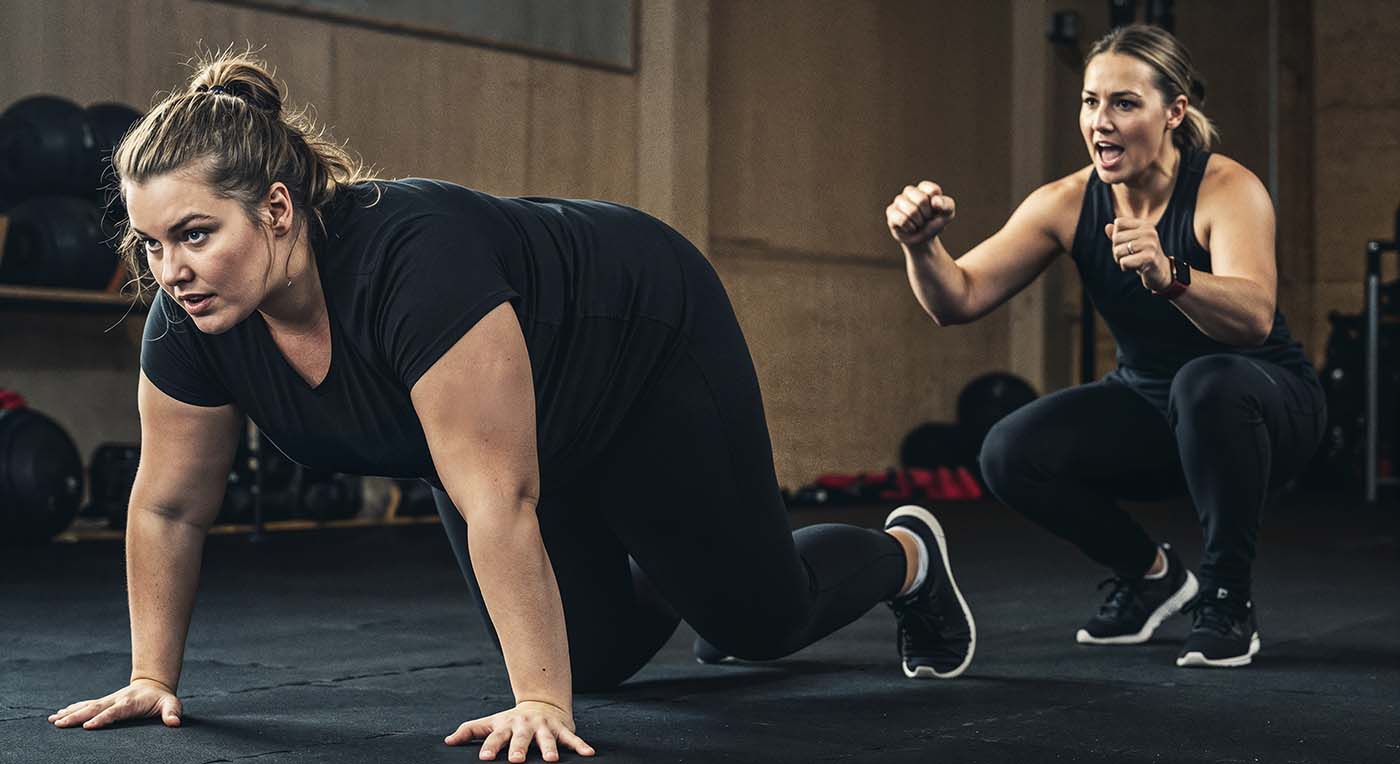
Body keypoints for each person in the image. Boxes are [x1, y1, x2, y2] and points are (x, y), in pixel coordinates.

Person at [46, 50, 976, 761]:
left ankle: (906, 557)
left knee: (758, 623)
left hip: (637, 343)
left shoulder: (411, 263)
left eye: (194, 234)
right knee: (593, 659)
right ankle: (685, 566)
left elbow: (498, 499)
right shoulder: (193, 317)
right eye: (151, 243)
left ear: (278, 210)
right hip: (515, 424)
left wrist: (539, 705)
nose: (171, 270)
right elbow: (169, 506)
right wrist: (150, 677)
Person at [885, 24, 1324, 669]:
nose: (1101, 122)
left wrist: (1171, 275)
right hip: (1156, 412)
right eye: (1091, 102)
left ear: (1173, 112)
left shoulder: (1227, 189)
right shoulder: (1065, 203)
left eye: (1124, 103)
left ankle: (1227, 595)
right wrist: (921, 247)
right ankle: (1150, 576)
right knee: (1009, 452)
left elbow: (1254, 319)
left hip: (1266, 410)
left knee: (1205, 383)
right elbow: (958, 299)